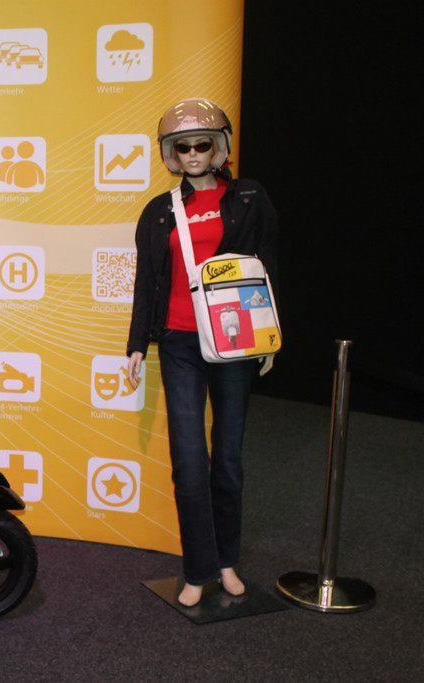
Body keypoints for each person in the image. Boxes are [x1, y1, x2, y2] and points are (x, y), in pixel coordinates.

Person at [125, 98, 279, 607]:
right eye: (183, 146)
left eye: (202, 144)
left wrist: (270, 334)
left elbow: (267, 268)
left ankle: (227, 559)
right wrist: (136, 345)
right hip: (179, 342)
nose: (193, 153)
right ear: (171, 153)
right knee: (189, 461)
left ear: (219, 147)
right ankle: (198, 568)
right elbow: (146, 281)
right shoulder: (159, 210)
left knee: (228, 459)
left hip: (235, 341)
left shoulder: (250, 197)